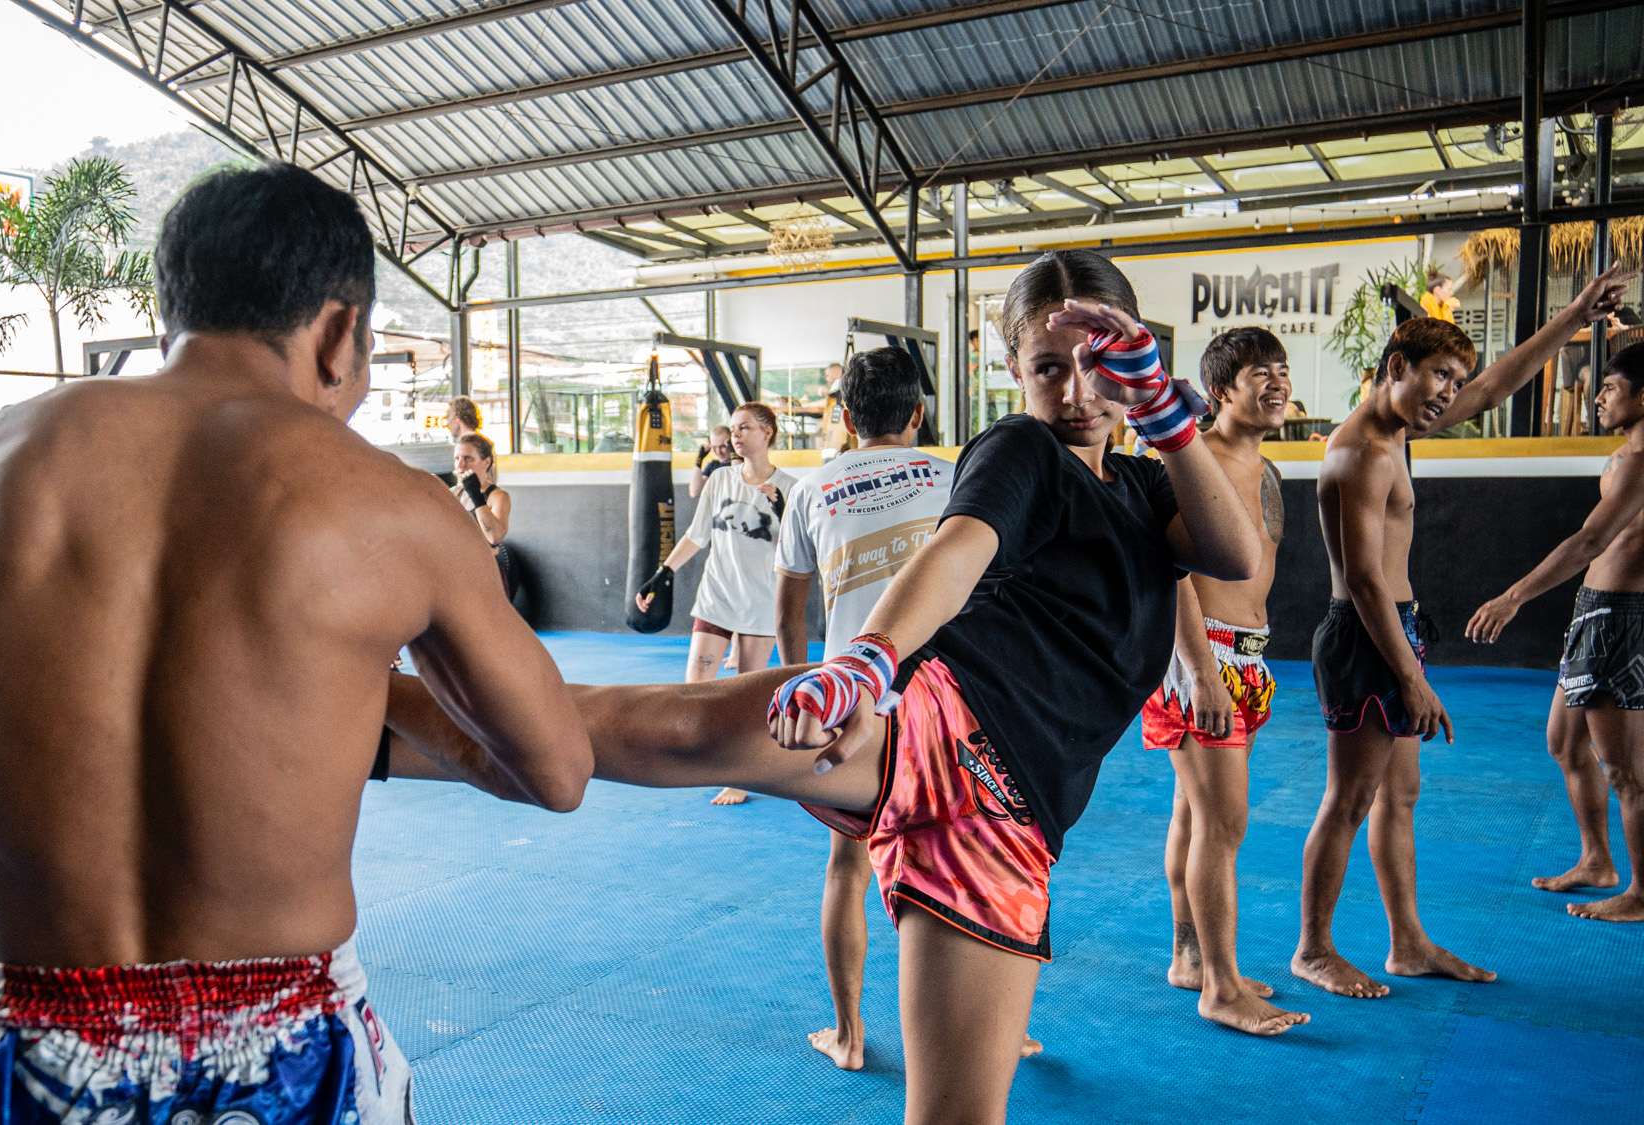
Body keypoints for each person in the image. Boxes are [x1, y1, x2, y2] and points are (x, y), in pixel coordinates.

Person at [391, 249, 1260, 1125]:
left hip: (1010, 824)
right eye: (1047, 368)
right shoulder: (1023, 448)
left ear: (1139, 357)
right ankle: (372, 720)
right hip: (924, 724)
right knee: (644, 728)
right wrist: (870, 658)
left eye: (1098, 367)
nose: (1075, 392)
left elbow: (1233, 553)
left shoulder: (1151, 485)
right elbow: (956, 551)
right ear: (1011, 371)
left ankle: (374, 723)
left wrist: (1161, 412)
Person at [0, 163, 593, 1125]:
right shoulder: (397, 507)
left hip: (32, 1041)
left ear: (171, 315)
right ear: (338, 333)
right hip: (286, 1049)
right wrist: (345, 702)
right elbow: (558, 768)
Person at [1295, 262, 1635, 999]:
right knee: (1350, 798)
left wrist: (1576, 310)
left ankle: (1408, 942)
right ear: (1397, 367)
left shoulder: (1398, 427)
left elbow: (1497, 386)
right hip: (1365, 634)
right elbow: (1360, 579)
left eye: (1454, 379)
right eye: (1439, 376)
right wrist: (1413, 678)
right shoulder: (1357, 449)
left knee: (1400, 797)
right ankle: (1314, 948)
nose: (1450, 394)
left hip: (1396, 629)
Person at [774, 346, 953, 1070]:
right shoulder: (954, 477)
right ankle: (1007, 1025)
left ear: (845, 418)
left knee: (847, 866)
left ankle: (848, 1034)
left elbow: (788, 611)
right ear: (918, 413)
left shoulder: (813, 489)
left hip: (855, 709)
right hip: (953, 704)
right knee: (977, 860)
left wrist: (808, 687)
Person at [1137, 327, 1308, 1036]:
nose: (1276, 382)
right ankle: (1222, 985)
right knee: (1224, 823)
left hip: (1247, 654)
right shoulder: (1188, 457)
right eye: (1257, 372)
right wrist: (1203, 674)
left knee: (1193, 813)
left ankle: (1191, 957)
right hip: (1198, 655)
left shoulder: (1268, 470)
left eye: (1282, 369)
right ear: (1220, 390)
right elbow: (1169, 571)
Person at [1467, 340, 1644, 922]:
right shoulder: (1623, 457)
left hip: (1622, 620)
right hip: (1595, 612)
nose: (1598, 397)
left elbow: (1592, 541)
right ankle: (1598, 860)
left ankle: (1640, 894)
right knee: (1566, 743)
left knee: (1625, 770)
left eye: (1612, 388)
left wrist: (1514, 595)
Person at [635, 401, 795, 806]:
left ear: (767, 433)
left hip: (759, 602)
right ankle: (698, 757)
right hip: (716, 595)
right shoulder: (720, 479)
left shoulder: (793, 487)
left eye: (745, 428)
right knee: (696, 685)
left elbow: (800, 550)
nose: (736, 435)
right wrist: (662, 574)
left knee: (744, 692)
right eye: (733, 429)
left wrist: (781, 508)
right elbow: (695, 535)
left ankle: (740, 774)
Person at [453, 432, 518, 598]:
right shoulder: (454, 494)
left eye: (468, 459)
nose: (461, 465)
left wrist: (475, 495)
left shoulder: (498, 497)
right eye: (457, 459)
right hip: (458, 570)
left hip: (487, 572)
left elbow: (494, 537)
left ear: (486, 462)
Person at [689, 425, 734, 499]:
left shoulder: (742, 462)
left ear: (731, 443)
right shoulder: (712, 466)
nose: (718, 452)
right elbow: (695, 492)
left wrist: (733, 451)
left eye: (722, 446)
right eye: (715, 447)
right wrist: (699, 459)